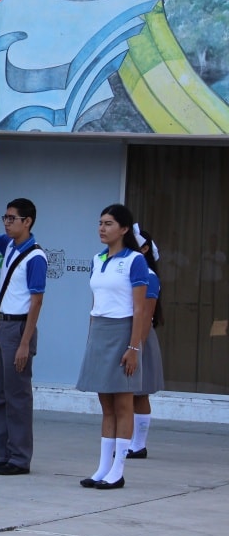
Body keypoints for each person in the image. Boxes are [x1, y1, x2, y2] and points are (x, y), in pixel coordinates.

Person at [76, 204, 149, 490]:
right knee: (105, 405)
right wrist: (91, 337)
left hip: (124, 332)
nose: (102, 228)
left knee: (122, 404)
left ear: (124, 229)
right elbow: (95, 304)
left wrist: (134, 348)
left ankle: (118, 470)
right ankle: (102, 467)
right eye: (100, 223)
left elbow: (141, 310)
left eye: (108, 223)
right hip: (100, 332)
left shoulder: (135, 261)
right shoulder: (97, 259)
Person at [0, 198, 47, 476]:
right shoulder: (8, 245)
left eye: (12, 218)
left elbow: (37, 302)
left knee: (17, 396)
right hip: (2, 326)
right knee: (1, 395)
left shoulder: (36, 257)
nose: (7, 222)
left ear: (27, 221)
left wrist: (25, 342)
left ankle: (19, 458)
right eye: (5, 217)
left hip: (19, 327)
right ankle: (0, 454)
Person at [129, 225, 164, 459]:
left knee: (140, 393)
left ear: (144, 248)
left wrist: (136, 348)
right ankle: (130, 441)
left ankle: (138, 444)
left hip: (141, 337)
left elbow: (145, 316)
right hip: (130, 335)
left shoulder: (149, 277)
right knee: (128, 393)